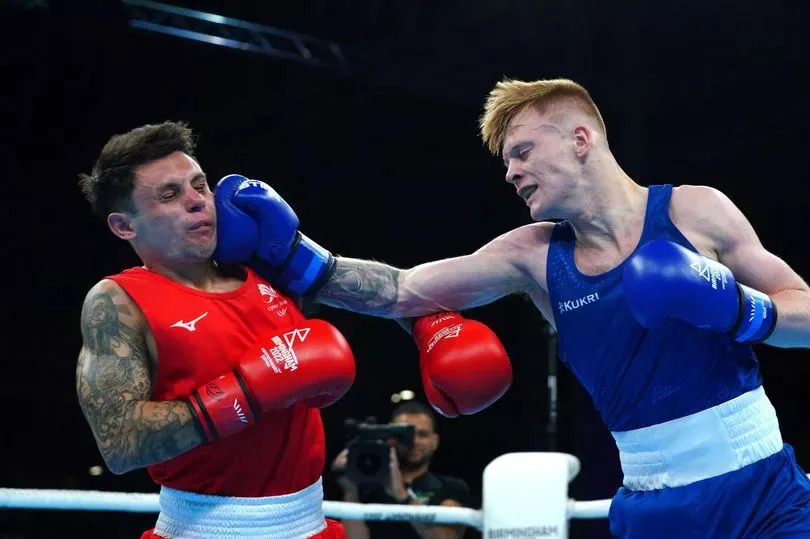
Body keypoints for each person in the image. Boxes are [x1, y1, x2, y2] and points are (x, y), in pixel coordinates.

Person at [213, 78, 810, 537]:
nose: (511, 172)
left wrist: (737, 309)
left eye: (522, 151)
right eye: (505, 160)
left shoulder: (694, 212)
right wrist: (292, 257)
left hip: (769, 492)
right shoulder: (533, 256)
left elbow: (803, 315)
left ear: (581, 139)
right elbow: (401, 290)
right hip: (655, 506)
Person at [75, 121, 358, 539]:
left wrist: (429, 325)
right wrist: (246, 393)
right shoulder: (118, 301)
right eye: (170, 195)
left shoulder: (266, 266)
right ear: (124, 226)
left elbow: (382, 291)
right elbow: (119, 444)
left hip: (311, 525)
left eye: (199, 185)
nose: (197, 202)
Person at [332, 401, 471, 539]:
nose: (414, 441)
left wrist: (402, 495)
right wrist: (350, 490)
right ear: (391, 438)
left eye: (422, 434)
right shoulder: (366, 489)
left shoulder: (451, 488)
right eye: (405, 435)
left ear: (435, 441)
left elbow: (446, 537)